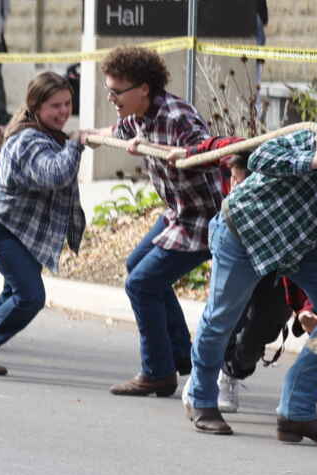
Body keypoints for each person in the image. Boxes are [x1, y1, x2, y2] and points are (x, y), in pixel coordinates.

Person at [179, 123, 317, 444]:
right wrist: (313, 161)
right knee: (222, 319)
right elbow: (260, 158)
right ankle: (201, 399)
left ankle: (297, 412)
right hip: (247, 228)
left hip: (303, 241)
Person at [90, 46, 225, 398]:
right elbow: (117, 130)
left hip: (204, 219)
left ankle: (157, 372)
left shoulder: (176, 116)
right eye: (109, 89)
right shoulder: (137, 114)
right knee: (136, 265)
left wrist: (180, 155)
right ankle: (180, 353)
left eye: (117, 91)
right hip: (177, 212)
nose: (112, 97)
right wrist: (85, 136)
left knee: (141, 284)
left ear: (144, 88)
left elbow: (211, 155)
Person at [0, 71, 83, 375]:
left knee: (13, 293)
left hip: (19, 230)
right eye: (55, 105)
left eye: (67, 103)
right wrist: (76, 146)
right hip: (0, 227)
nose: (64, 111)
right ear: (37, 106)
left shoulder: (47, 134)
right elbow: (54, 174)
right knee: (31, 296)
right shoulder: (29, 139)